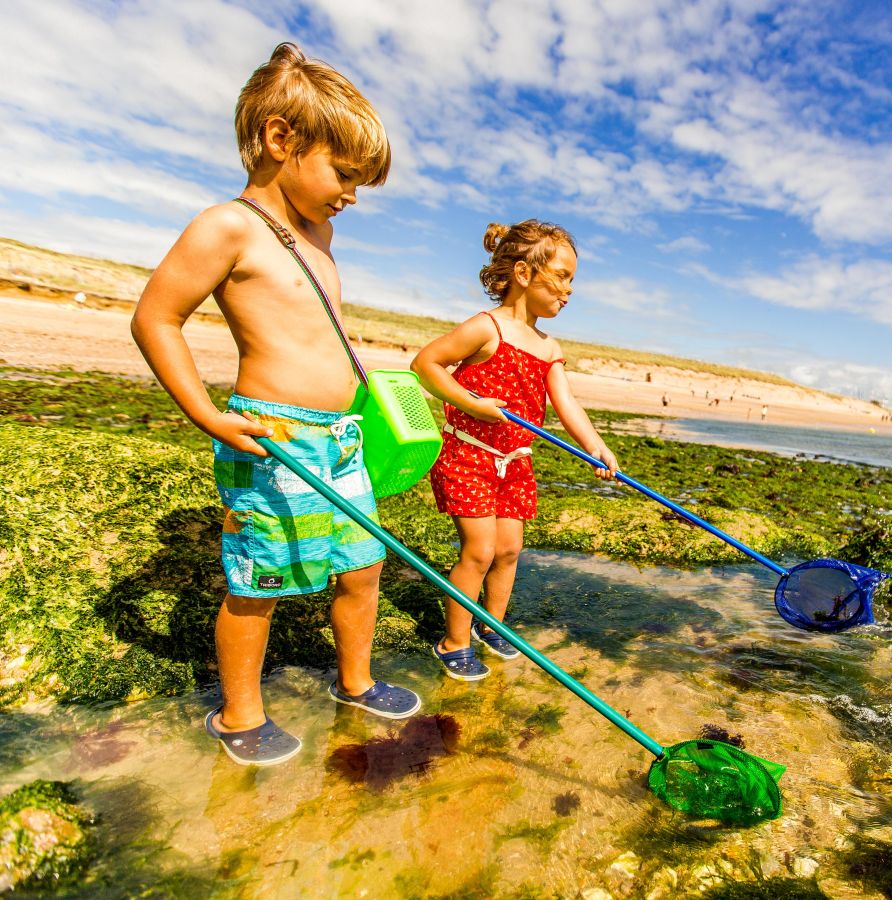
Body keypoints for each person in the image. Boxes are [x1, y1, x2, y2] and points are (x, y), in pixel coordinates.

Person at [131, 43, 420, 766]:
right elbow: (155, 318)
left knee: (360, 567)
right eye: (344, 174)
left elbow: (317, 330)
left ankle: (354, 682)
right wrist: (206, 412)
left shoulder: (320, 235)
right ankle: (239, 714)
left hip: (343, 435)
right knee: (259, 580)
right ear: (280, 140)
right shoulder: (226, 226)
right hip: (275, 434)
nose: (351, 194)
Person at [412, 220, 619, 680]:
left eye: (572, 280)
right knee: (479, 551)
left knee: (509, 550)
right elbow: (426, 363)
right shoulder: (486, 328)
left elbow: (567, 404)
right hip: (468, 455)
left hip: (515, 464)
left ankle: (492, 627)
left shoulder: (549, 347)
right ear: (524, 273)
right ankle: (454, 642)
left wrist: (597, 447)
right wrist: (473, 404)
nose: (569, 290)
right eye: (562, 276)